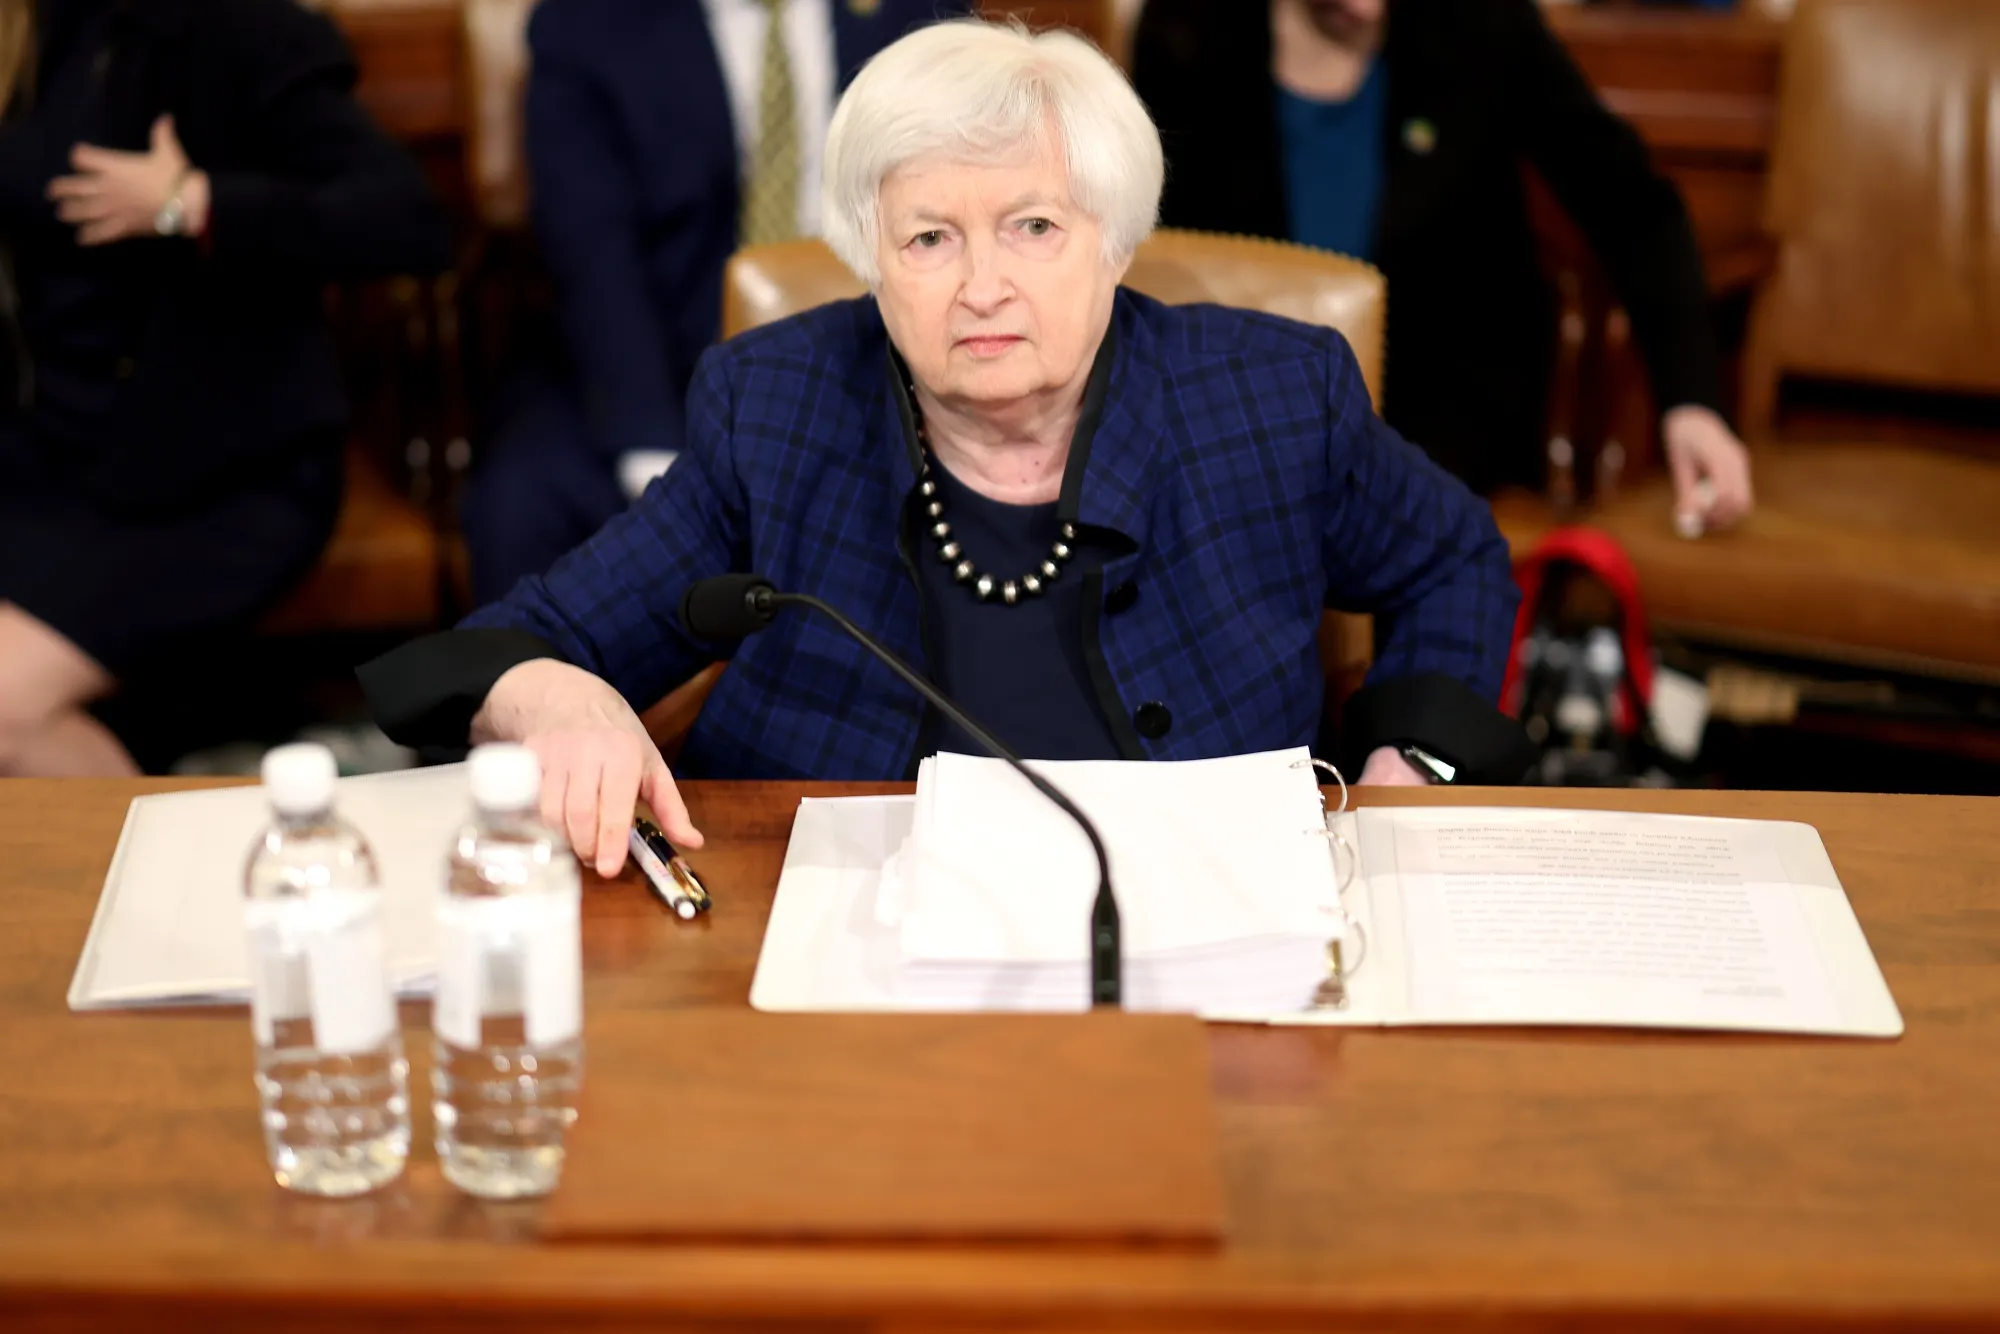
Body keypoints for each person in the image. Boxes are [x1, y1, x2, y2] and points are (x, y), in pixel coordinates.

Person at [363, 19, 1525, 877]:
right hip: (838, 965)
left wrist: (1409, 765)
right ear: (870, 257)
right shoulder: (776, 408)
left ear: (1112, 239)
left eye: (1032, 226)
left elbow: (1452, 558)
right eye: (928, 237)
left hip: (1210, 943)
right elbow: (525, 641)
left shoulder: (1270, 398)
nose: (982, 286)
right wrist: (546, 694)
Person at [0, 0, 450, 777]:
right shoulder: (25, 30)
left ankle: (160, 854)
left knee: (6, 711)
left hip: (214, 480)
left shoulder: (234, 25)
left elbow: (408, 219)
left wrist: (196, 203)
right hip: (47, 459)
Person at [1130, 0, 1754, 529]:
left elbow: (1636, 209)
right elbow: (1151, 262)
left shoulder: (1480, 22)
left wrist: (1692, 403)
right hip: (1241, 432)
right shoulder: (1186, 34)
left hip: (1442, 436)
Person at [460, 0, 975, 605]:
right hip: (653, 368)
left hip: (880, 368)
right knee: (523, 502)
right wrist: (656, 459)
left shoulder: (922, 11)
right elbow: (594, 257)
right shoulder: (587, 23)